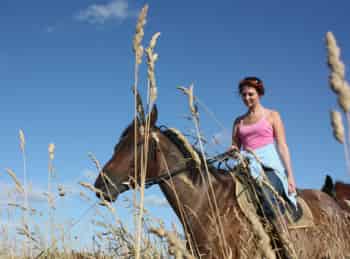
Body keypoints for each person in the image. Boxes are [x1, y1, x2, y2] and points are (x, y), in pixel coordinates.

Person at [230, 76, 298, 218]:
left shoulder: (272, 115)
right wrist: (233, 151)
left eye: (251, 94)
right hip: (246, 166)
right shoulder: (238, 121)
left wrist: (290, 176)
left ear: (259, 94)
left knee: (267, 197)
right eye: (244, 95)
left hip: (268, 167)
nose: (247, 98)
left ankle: (280, 236)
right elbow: (235, 147)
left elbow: (282, 145)